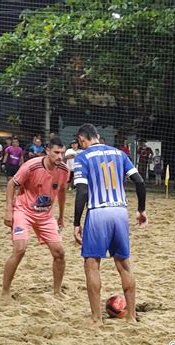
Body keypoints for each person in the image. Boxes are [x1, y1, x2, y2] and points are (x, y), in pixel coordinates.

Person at [73, 124, 147, 326]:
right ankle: (131, 316)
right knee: (124, 266)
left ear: (81, 139)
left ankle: (96, 319)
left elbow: (82, 192)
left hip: (98, 212)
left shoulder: (82, 157)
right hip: (120, 212)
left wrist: (76, 223)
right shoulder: (119, 154)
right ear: (98, 136)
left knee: (92, 265)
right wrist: (141, 210)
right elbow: (139, 182)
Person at [2, 137, 69, 299]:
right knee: (20, 249)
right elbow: (12, 184)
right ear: (47, 151)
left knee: (59, 253)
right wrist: (8, 211)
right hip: (23, 211)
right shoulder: (32, 166)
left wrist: (60, 216)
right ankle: (5, 292)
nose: (60, 157)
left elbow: (62, 192)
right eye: (56, 152)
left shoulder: (64, 170)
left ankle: (57, 291)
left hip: (45, 216)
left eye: (62, 153)